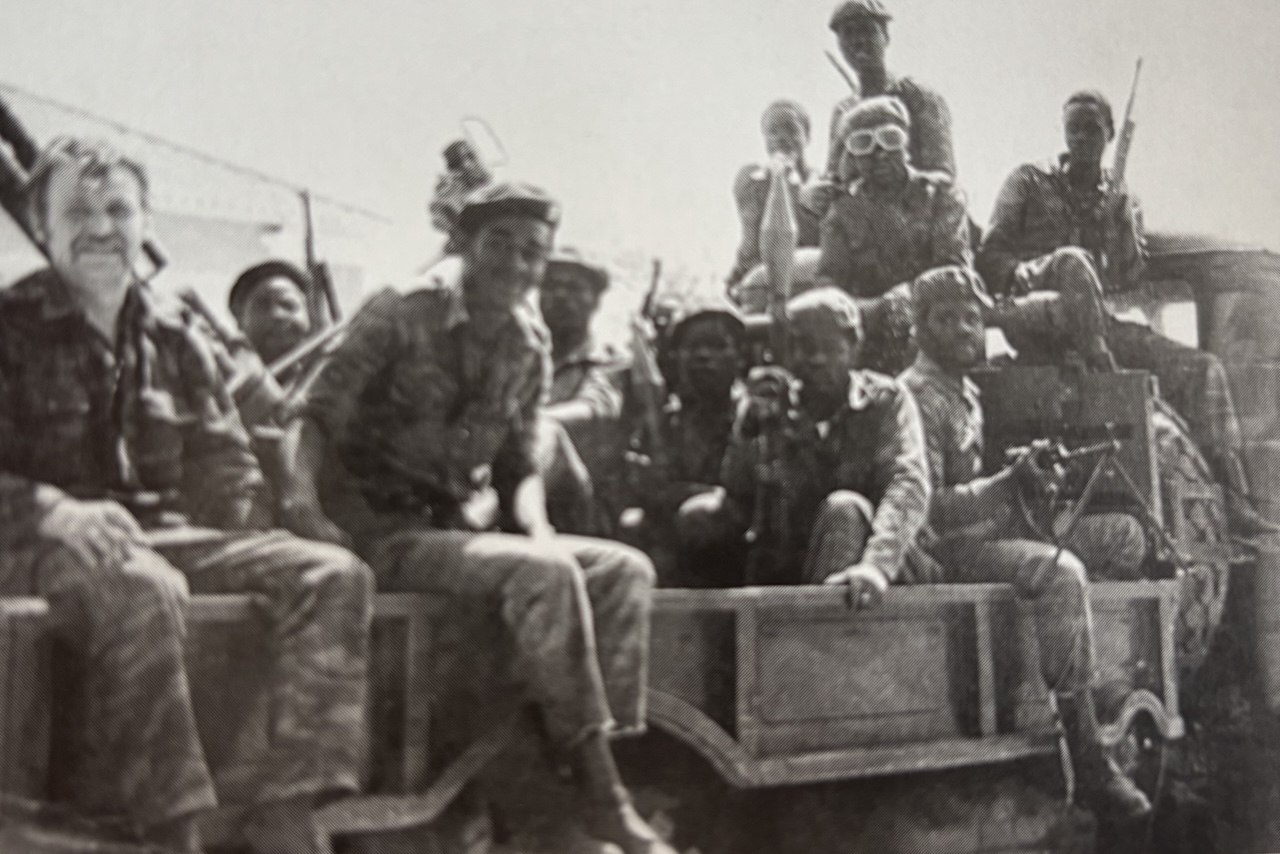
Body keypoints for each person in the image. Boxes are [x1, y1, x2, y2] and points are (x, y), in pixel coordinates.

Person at [0, 136, 374, 854]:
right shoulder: (7, 326)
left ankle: (288, 809)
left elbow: (224, 461)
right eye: (77, 212)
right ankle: (172, 830)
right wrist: (54, 511)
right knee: (143, 587)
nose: (101, 228)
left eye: (119, 211)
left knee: (333, 575)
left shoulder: (174, 335)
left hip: (159, 536)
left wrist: (256, 530)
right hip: (29, 542)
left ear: (144, 223)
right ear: (41, 224)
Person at [278, 182, 675, 854]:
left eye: (533, 253)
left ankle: (570, 761)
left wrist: (538, 528)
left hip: (459, 534)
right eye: (501, 245)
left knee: (622, 570)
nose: (517, 265)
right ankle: (604, 795)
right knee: (545, 574)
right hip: (381, 533)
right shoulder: (404, 310)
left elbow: (520, 466)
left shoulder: (528, 341)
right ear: (465, 244)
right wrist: (300, 504)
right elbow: (309, 413)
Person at [899, 265, 1152, 819]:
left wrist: (1025, 479)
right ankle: (1086, 756)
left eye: (973, 318)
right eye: (947, 319)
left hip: (984, 536)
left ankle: (1075, 670)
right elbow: (924, 508)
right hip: (945, 551)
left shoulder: (962, 389)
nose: (965, 329)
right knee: (1062, 573)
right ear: (918, 328)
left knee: (1124, 538)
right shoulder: (917, 396)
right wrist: (1005, 485)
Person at [977, 90, 1275, 539]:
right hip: (1041, 320)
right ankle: (1106, 374)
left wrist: (1119, 226)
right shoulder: (1029, 182)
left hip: (1100, 326)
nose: (1081, 138)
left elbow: (1128, 279)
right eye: (1073, 128)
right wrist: (1037, 275)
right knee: (1073, 264)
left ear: (1110, 135)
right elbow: (990, 257)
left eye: (1091, 129)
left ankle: (1234, 498)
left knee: (1204, 371)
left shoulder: (1120, 199)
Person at [720, 287, 931, 595]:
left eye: (831, 348)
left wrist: (876, 565)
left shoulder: (884, 401)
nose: (817, 359)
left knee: (844, 510)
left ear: (854, 347)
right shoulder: (776, 405)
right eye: (805, 347)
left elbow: (906, 483)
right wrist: (749, 430)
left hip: (883, 567)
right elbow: (737, 493)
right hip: (802, 565)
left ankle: (817, 624)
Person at [814, 96, 970, 373]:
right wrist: (879, 309)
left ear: (906, 142)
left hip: (939, 328)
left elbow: (953, 268)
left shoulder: (940, 194)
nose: (880, 154)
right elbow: (829, 286)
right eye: (863, 144)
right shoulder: (843, 212)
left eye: (890, 139)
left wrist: (910, 297)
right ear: (852, 156)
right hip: (873, 336)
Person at [626, 299, 749, 588]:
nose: (704, 356)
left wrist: (680, 492)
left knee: (699, 517)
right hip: (677, 533)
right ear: (676, 357)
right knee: (632, 524)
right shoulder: (668, 421)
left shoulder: (749, 414)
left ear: (739, 357)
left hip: (740, 540)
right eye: (693, 347)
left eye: (717, 346)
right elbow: (649, 489)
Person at [537, 247, 626, 534]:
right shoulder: (520, 353)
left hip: (580, 502)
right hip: (519, 479)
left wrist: (528, 422)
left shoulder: (610, 359)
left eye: (574, 288)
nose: (561, 295)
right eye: (551, 286)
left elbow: (595, 407)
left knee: (547, 433)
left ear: (596, 301)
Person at [824, 0, 954, 180]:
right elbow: (833, 178)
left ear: (885, 36)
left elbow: (943, 176)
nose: (858, 41)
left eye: (866, 30)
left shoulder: (918, 96)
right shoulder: (843, 112)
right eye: (848, 33)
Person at [727, 100, 825, 291]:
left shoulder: (822, 183)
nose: (781, 138)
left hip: (812, 276)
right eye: (772, 132)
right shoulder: (752, 180)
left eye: (791, 130)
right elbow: (751, 242)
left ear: (807, 136)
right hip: (760, 277)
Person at [228, 260, 314, 369]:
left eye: (288, 304)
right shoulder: (222, 375)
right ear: (240, 321)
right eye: (262, 306)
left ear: (310, 314)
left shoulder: (332, 371)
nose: (277, 315)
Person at [427, 138, 493, 251]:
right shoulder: (450, 191)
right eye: (470, 157)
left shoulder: (489, 192)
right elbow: (439, 214)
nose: (478, 162)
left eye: (474, 156)